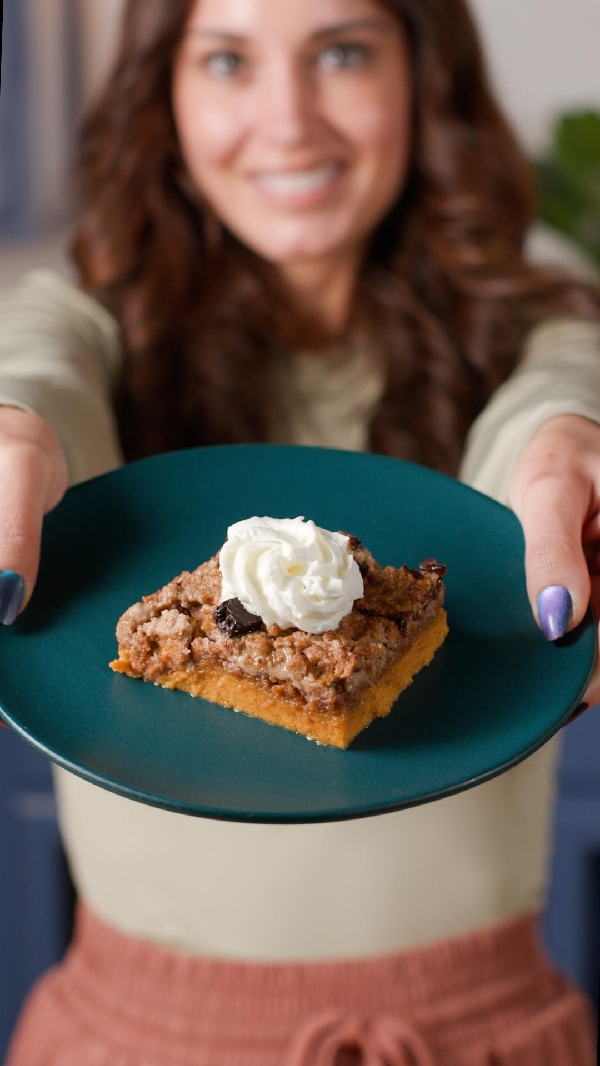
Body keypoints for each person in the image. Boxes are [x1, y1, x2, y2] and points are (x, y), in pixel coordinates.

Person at [2, 0, 600, 1061]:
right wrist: (15, 425)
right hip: (132, 1036)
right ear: (164, 95)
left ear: (425, 73)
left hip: (488, 1033)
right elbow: (39, 366)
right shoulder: (94, 311)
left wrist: (563, 455)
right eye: (228, 59)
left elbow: (556, 393)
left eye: (340, 51)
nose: (287, 122)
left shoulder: (535, 306)